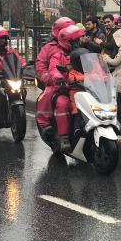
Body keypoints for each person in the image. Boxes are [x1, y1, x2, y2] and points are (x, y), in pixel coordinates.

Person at [36, 24, 85, 152]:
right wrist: (59, 79)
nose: (77, 42)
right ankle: (64, 137)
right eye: (74, 40)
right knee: (62, 103)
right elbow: (53, 69)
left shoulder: (81, 53)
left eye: (77, 40)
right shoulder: (58, 54)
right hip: (63, 88)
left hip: (80, 87)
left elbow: (93, 65)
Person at [101, 28, 121, 132]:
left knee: (119, 102)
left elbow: (115, 62)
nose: (115, 41)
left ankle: (120, 128)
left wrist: (105, 57)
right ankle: (119, 127)